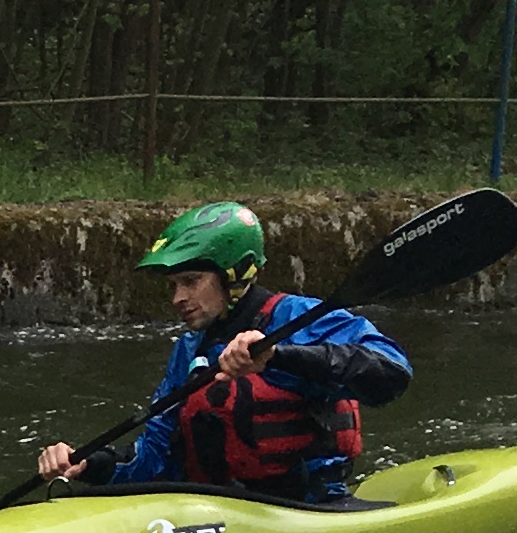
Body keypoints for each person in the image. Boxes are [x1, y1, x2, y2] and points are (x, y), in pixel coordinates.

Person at [35, 201, 412, 502]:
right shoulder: (191, 349)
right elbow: (154, 459)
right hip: (220, 513)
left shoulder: (299, 318)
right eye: (174, 285)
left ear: (234, 273)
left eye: (190, 281)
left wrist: (278, 356)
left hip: (310, 509)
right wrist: (89, 464)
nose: (178, 298)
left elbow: (392, 373)